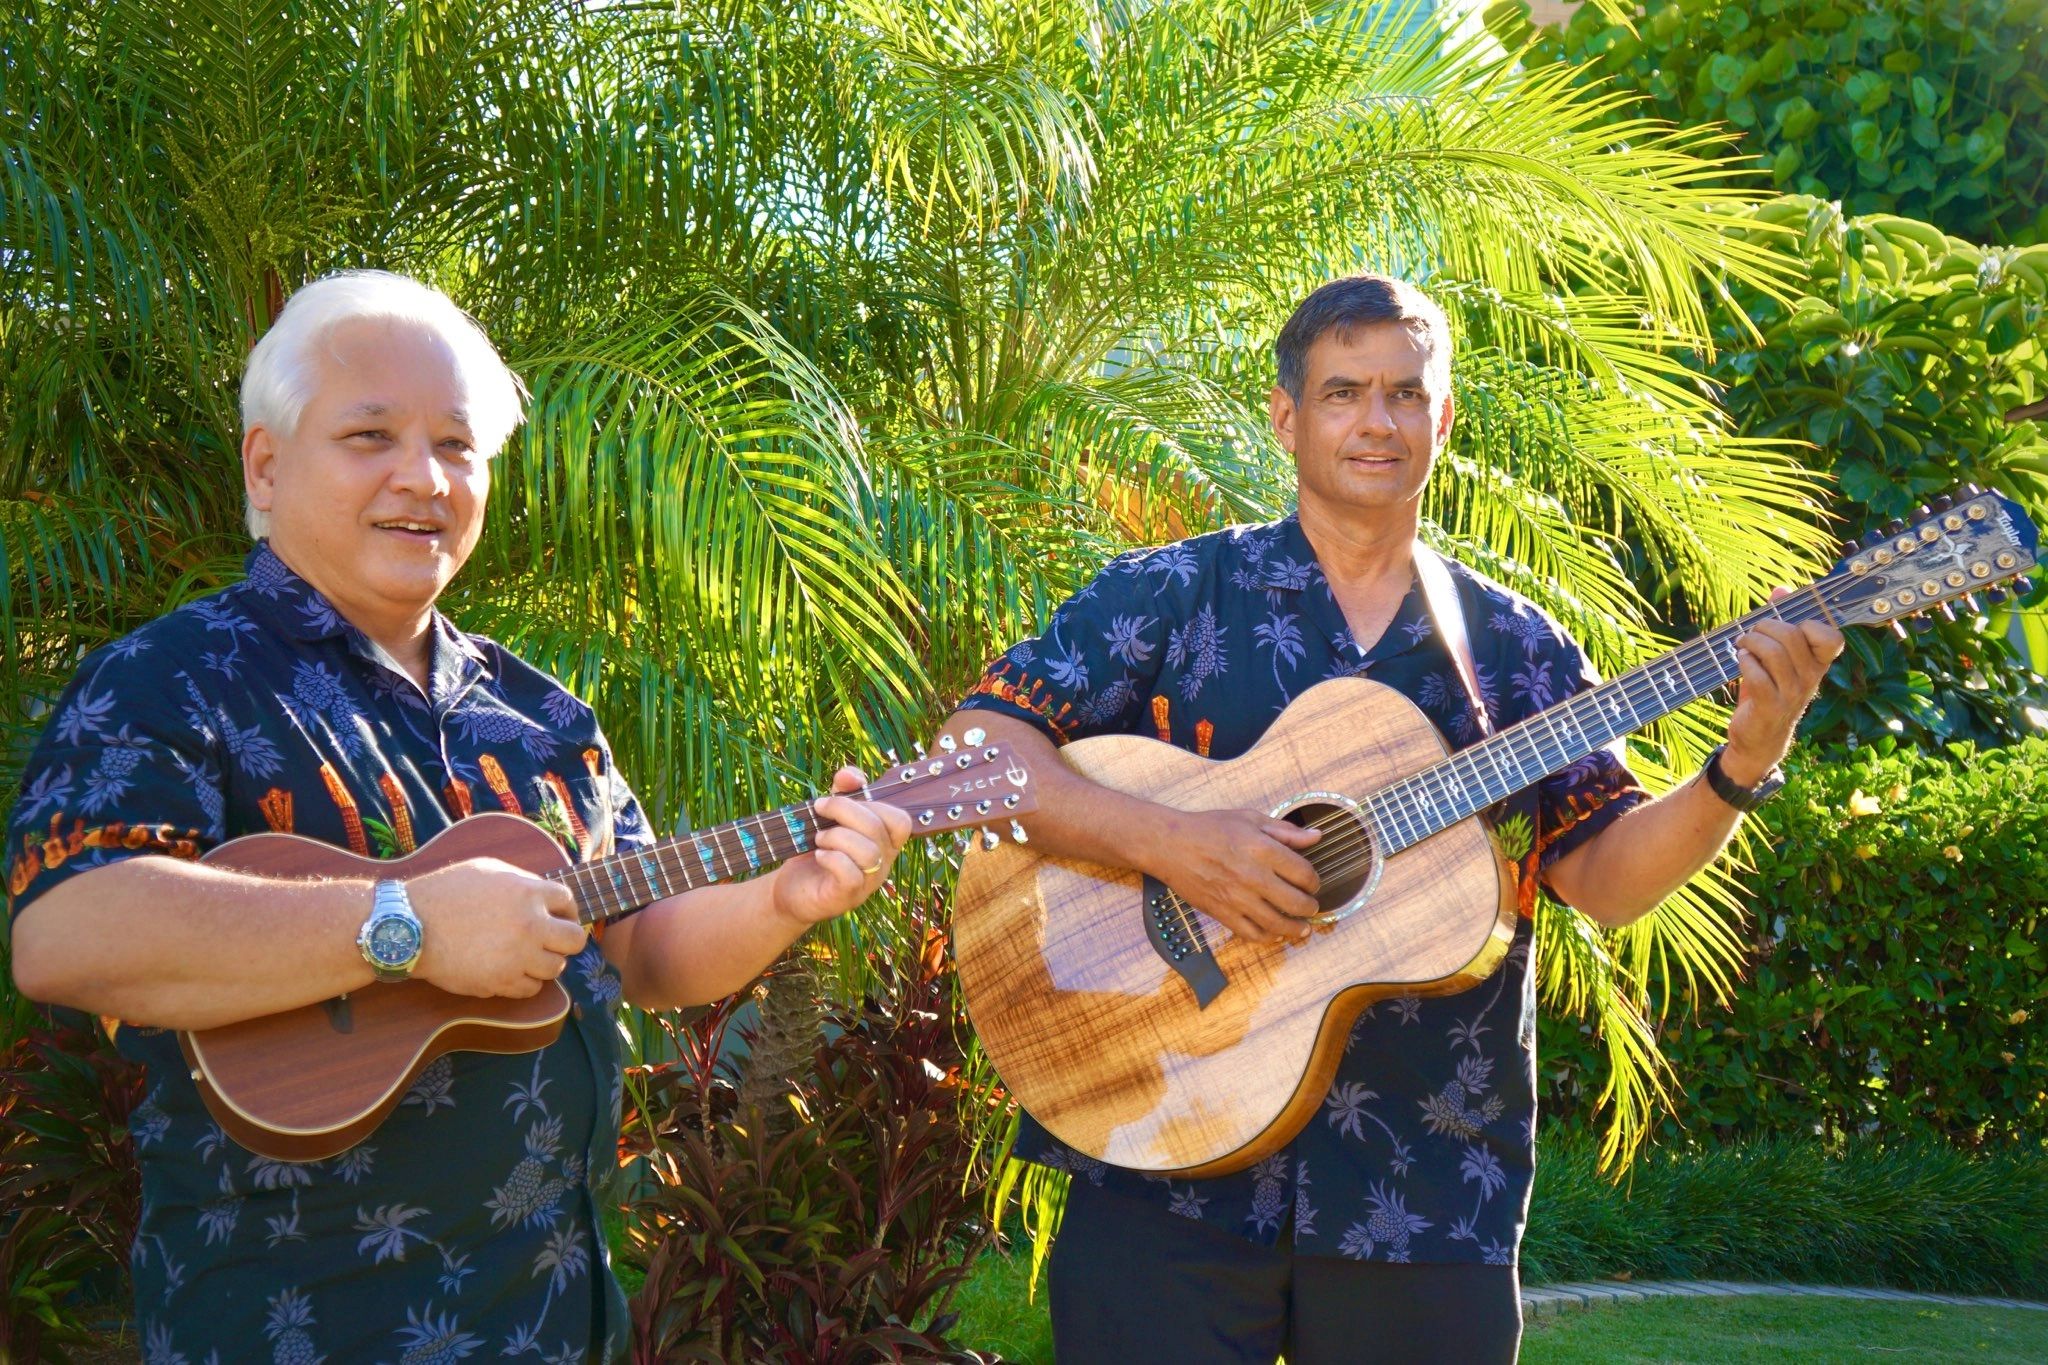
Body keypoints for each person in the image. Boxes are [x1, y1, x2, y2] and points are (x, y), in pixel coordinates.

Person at [4, 270, 911, 1362]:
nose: (423, 477)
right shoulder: (172, 680)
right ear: (266, 464)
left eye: (456, 445)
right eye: (370, 436)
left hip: (555, 1320)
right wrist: (409, 924)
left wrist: (787, 897)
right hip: (299, 1333)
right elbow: (67, 932)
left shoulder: (543, 716)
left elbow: (641, 948)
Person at [941, 275, 1841, 1363]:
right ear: (1286, 417)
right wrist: (1180, 847)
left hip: (1424, 1180)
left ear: (1441, 420)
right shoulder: (1171, 593)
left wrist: (1744, 762)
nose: (1377, 421)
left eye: (1405, 394)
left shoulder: (1512, 647)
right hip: (1157, 1143)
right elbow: (976, 752)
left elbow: (1604, 879)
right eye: (1344, 392)